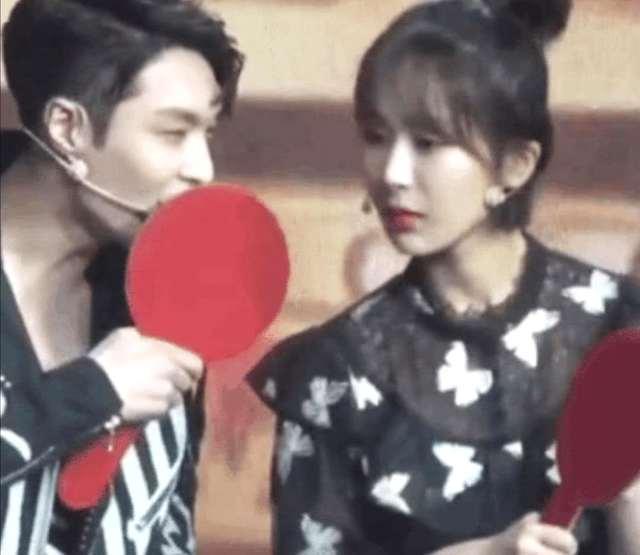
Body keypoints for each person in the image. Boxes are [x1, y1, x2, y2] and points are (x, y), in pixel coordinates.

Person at [248, 0, 640, 553]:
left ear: (514, 166)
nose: (392, 173)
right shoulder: (333, 371)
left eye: (427, 143)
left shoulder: (620, 325)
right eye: (376, 136)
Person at [0, 0, 243, 553]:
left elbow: (170, 526)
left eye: (207, 132)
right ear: (68, 127)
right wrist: (86, 395)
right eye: (173, 132)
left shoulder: (161, 300)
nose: (202, 170)